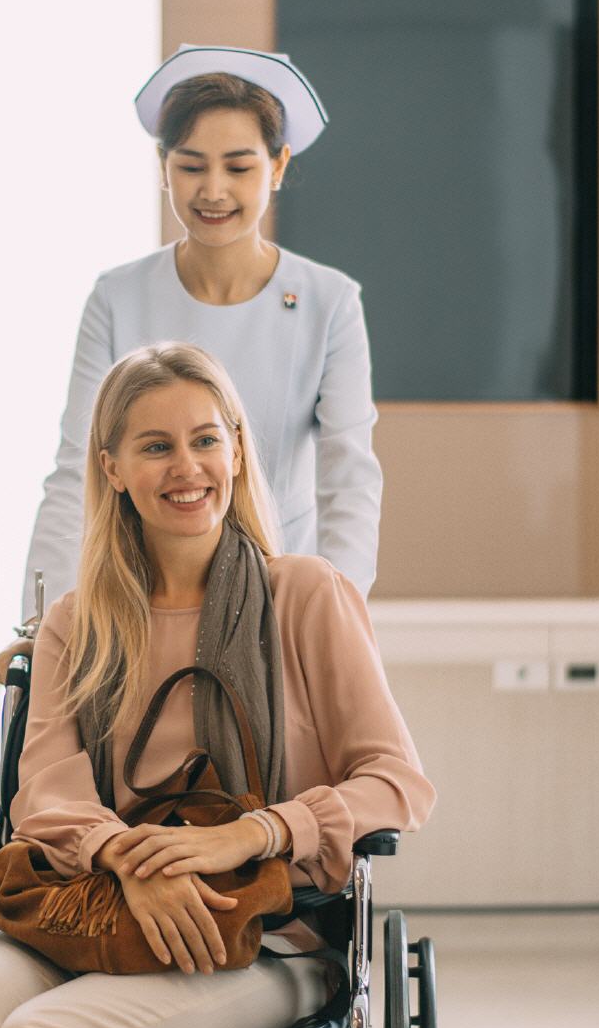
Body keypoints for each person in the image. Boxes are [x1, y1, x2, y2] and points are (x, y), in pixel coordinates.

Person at [0, 343, 432, 1028]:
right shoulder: (75, 623)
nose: (186, 468)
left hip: (262, 934)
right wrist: (133, 863)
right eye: (156, 447)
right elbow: (47, 796)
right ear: (112, 470)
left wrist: (250, 833)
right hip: (99, 903)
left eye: (204, 440)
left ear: (236, 451)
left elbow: (398, 784)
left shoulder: (307, 598)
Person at [20, 45, 385, 626]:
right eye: (191, 166)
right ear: (162, 167)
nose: (213, 190)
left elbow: (349, 478)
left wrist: (332, 615)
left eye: (239, 168)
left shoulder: (328, 301)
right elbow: (77, 471)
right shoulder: (117, 297)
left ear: (279, 166)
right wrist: (44, 627)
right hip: (141, 599)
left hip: (276, 601)